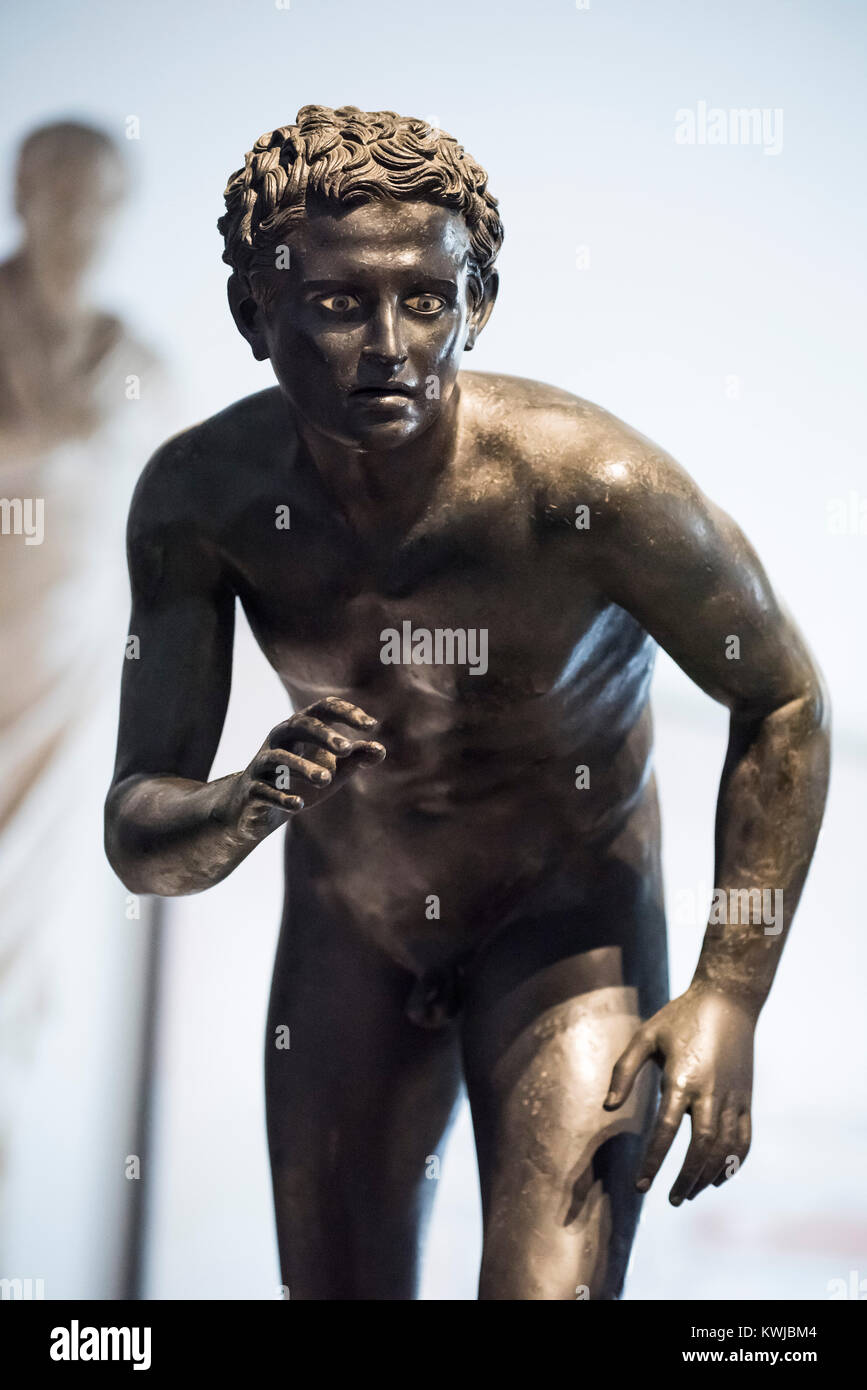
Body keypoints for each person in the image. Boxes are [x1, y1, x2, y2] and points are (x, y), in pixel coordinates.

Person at [105, 106, 830, 1300]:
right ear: (256, 316)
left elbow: (785, 697)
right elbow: (139, 832)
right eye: (338, 306)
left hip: (567, 929)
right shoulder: (203, 502)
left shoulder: (590, 488)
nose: (391, 344)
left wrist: (730, 990)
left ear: (477, 301)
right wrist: (239, 804)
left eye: (428, 300)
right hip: (356, 933)